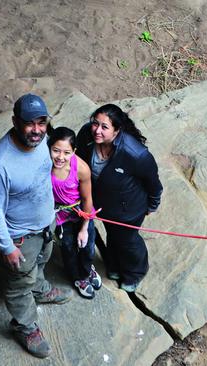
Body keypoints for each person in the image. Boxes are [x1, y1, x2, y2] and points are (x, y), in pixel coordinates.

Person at [0, 93, 72, 359]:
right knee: (18, 283)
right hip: (19, 237)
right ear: (15, 122)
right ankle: (24, 326)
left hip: (45, 224)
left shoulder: (44, 140)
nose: (37, 130)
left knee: (41, 262)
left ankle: (39, 289)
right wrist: (6, 248)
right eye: (29, 123)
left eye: (41, 122)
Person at [76, 104, 163, 292]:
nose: (97, 130)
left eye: (104, 127)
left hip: (128, 209)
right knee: (113, 235)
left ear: (116, 130)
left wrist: (152, 205)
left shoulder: (135, 154)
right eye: (95, 124)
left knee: (128, 241)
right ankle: (114, 265)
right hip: (103, 204)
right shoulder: (87, 136)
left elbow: (153, 183)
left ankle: (135, 272)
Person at [48, 126, 102, 299]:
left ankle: (86, 270)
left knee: (87, 248)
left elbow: (87, 199)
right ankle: (78, 277)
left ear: (74, 151)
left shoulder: (81, 169)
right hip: (61, 217)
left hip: (82, 213)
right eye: (56, 150)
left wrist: (84, 227)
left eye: (67, 152)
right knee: (69, 249)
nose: (60, 157)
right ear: (49, 148)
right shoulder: (44, 165)